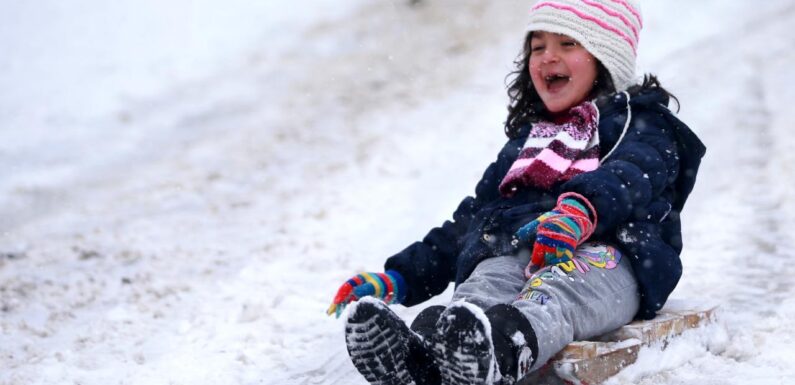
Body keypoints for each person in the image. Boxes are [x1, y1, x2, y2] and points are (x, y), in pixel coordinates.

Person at [327, 1, 706, 384]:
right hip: (521, 251)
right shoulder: (531, 141)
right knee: (483, 284)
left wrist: (579, 210)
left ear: (606, 56)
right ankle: (423, 359)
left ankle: (500, 352)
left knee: (556, 292)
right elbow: (477, 218)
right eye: (537, 46)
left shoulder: (641, 123)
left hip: (609, 258)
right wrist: (401, 276)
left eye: (567, 44)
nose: (547, 57)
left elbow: (632, 174)